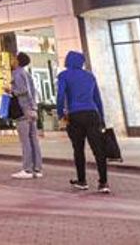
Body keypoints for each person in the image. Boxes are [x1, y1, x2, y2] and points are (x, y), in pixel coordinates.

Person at [56, 51, 109, 194]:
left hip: (75, 115)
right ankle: (103, 182)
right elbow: (97, 99)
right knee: (98, 150)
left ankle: (82, 181)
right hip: (92, 114)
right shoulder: (90, 76)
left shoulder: (63, 76)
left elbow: (60, 96)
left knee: (78, 149)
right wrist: (102, 118)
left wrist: (60, 114)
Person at [9, 52, 43, 179]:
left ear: (18, 61)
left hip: (23, 110)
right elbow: (31, 91)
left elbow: (22, 91)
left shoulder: (17, 73)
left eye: (13, 58)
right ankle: (37, 168)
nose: (12, 60)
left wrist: (11, 90)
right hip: (32, 109)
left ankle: (27, 169)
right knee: (34, 139)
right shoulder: (27, 73)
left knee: (25, 141)